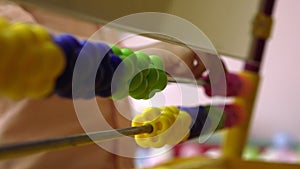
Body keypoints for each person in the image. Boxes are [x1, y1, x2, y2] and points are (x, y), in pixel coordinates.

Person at [0, 1, 207, 169]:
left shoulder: (94, 18)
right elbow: (55, 59)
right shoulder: (9, 12)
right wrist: (151, 58)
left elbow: (110, 80)